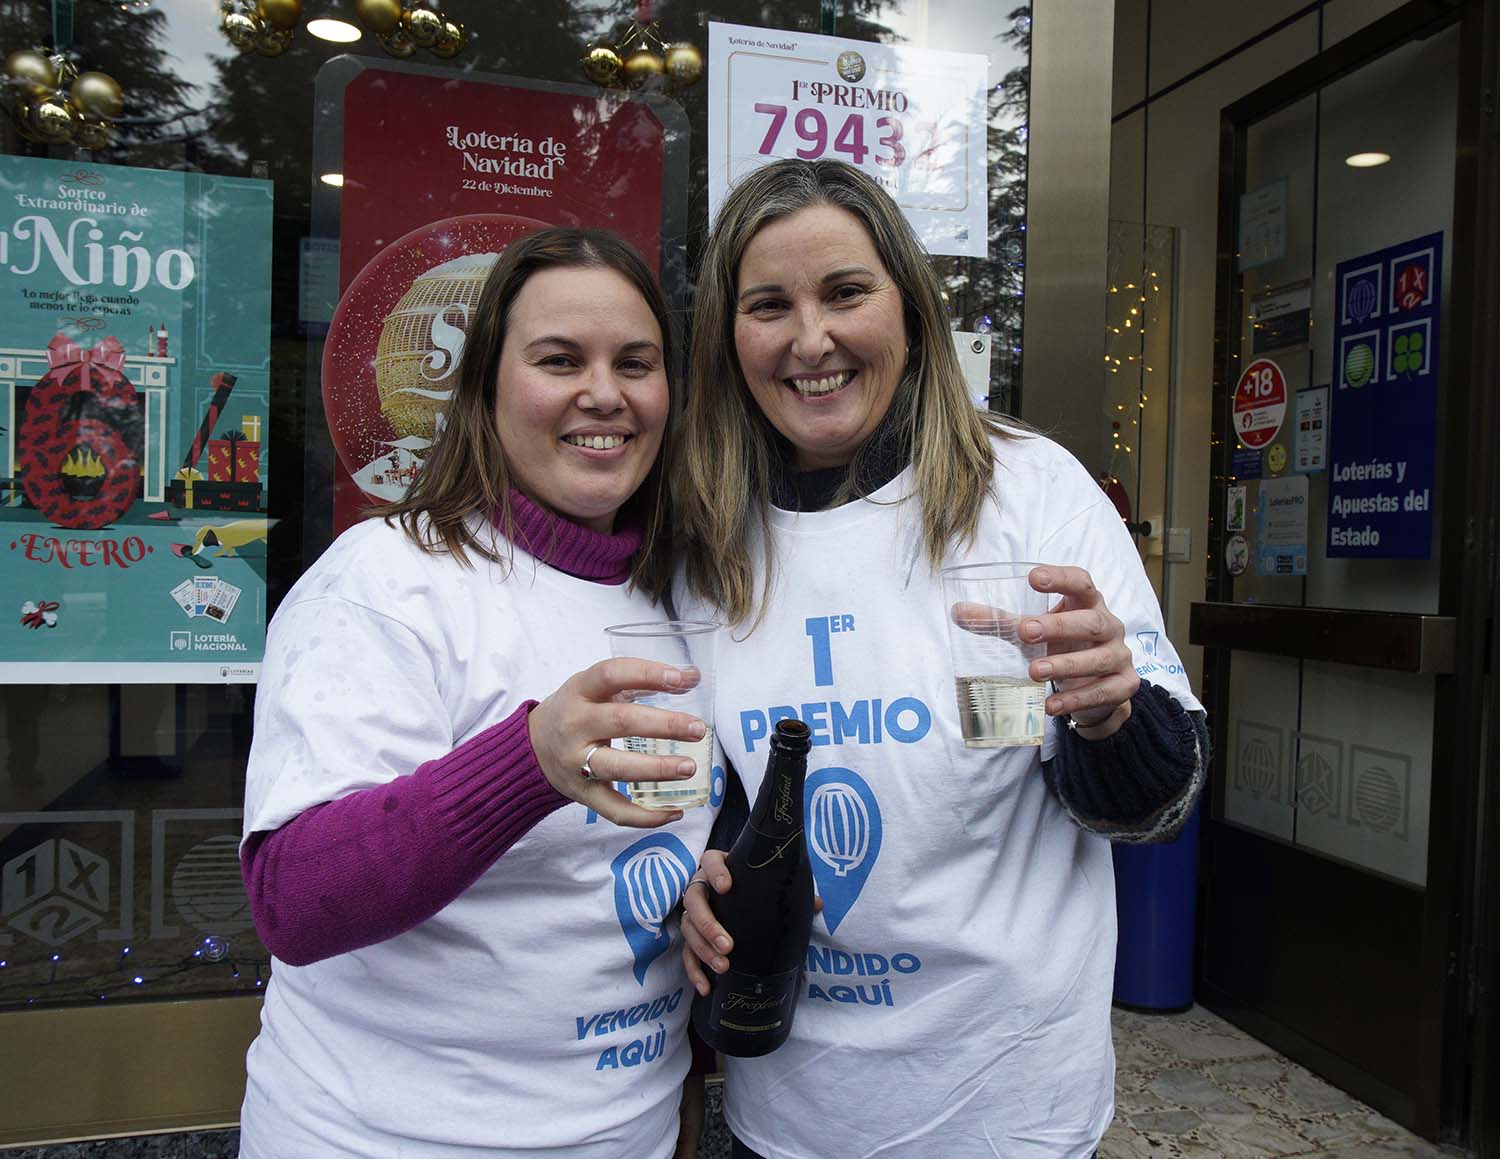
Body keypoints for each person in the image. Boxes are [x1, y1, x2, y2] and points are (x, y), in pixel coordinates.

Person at [675, 159, 1208, 1159]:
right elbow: (723, 801)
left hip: (1005, 1107)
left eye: (845, 292)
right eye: (767, 305)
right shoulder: (705, 537)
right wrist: (695, 880)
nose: (810, 340)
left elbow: (1153, 804)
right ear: (725, 337)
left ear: (910, 310)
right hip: (785, 1112)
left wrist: (1108, 713)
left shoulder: (1031, 491)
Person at [238, 228, 716, 1159]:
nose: (605, 393)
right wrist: (529, 760)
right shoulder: (386, 579)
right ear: (484, 387)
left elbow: (635, 882)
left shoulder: (687, 593)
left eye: (636, 362)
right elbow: (292, 899)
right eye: (558, 360)